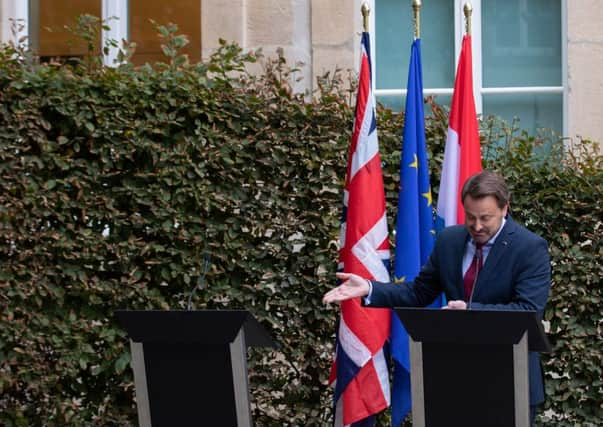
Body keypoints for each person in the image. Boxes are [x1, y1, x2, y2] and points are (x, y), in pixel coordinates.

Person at [323, 170, 550, 425]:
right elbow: (419, 292)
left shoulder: (530, 248)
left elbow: (527, 310)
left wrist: (470, 312)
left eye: (485, 218)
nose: (477, 226)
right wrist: (370, 288)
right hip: (452, 377)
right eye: (470, 217)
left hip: (510, 379)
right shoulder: (449, 240)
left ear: (504, 208)